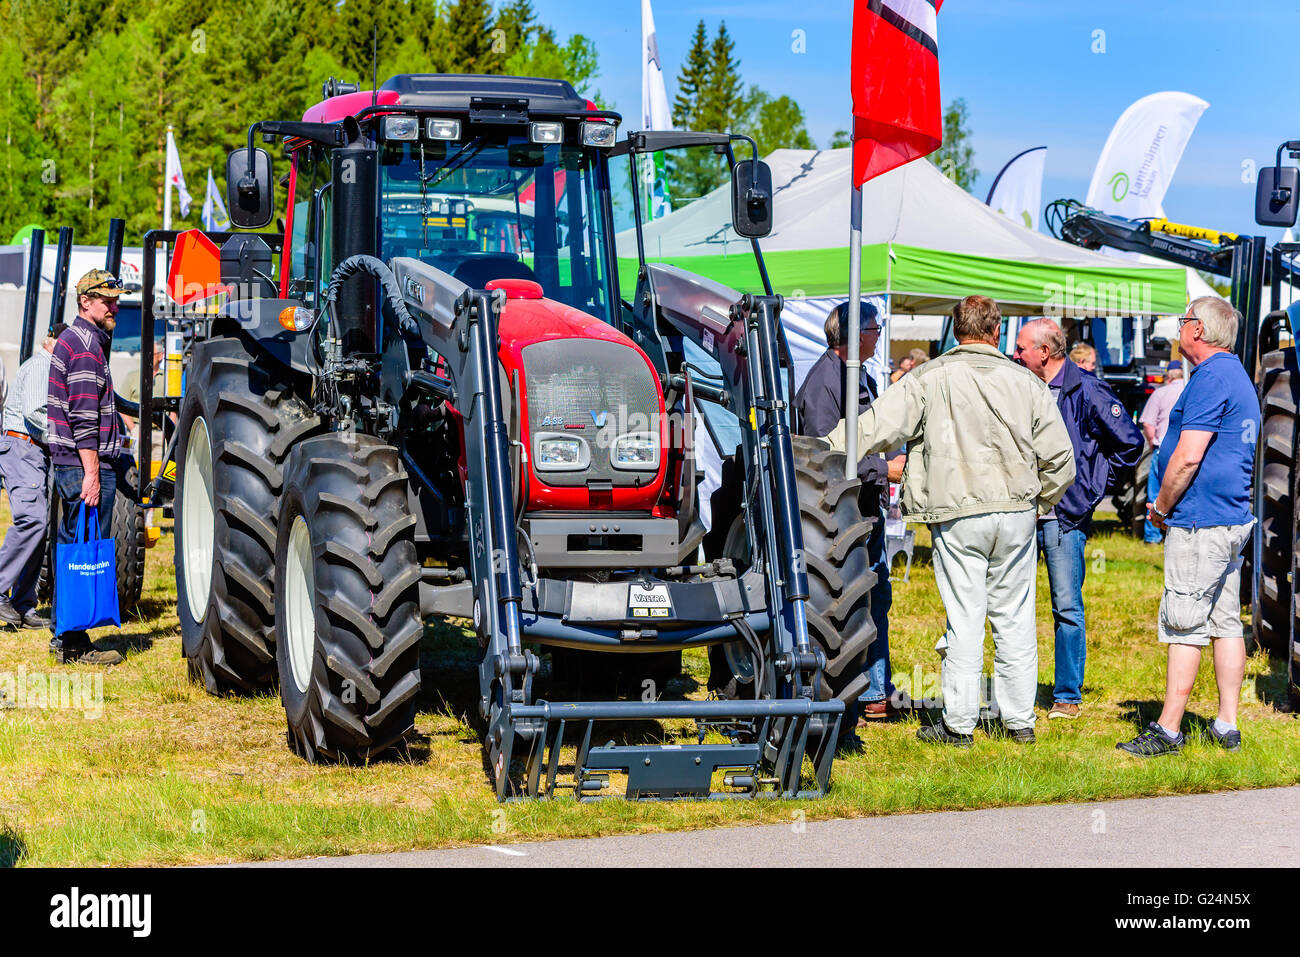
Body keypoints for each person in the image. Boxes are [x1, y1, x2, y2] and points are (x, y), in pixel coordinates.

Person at [828, 295, 1075, 746]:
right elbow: (1061, 458)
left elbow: (873, 426)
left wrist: (821, 445)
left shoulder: (928, 377)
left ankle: (960, 725)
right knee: (1015, 617)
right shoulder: (1026, 381)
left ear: (955, 329)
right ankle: (1020, 721)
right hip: (1016, 511)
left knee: (965, 618)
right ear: (996, 332)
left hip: (959, 512)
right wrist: (1040, 501)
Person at [1118, 297, 1258, 757]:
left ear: (1198, 329)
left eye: (1183, 320)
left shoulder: (1210, 377)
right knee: (1225, 624)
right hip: (1230, 517)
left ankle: (1168, 731)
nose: (1179, 328)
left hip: (1202, 522)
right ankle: (1226, 724)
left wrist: (1158, 506)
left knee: (1183, 622)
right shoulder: (1236, 374)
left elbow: (1188, 455)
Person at [1013, 318, 1143, 720]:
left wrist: (1090, 489)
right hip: (1019, 511)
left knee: (1066, 603)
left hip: (1063, 516)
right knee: (1011, 606)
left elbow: (1129, 442)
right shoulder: (1022, 386)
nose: (1015, 355)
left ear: (1044, 353)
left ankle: (1067, 695)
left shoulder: (1086, 388)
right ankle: (1016, 692)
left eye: (1021, 348)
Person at [794, 300, 904, 726]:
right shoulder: (826, 382)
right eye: (876, 328)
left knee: (878, 597)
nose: (879, 334)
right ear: (856, 335)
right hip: (838, 523)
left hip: (858, 513)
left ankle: (876, 691)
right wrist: (884, 468)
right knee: (866, 601)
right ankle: (869, 692)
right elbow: (824, 460)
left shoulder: (850, 377)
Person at [46, 270, 126, 666]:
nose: (115, 305)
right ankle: (74, 643)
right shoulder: (83, 346)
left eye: (115, 299)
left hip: (73, 464)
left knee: (73, 546)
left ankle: (64, 633)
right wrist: (92, 474)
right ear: (84, 302)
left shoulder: (82, 341)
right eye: (106, 299)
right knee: (82, 550)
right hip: (84, 465)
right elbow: (84, 418)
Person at [0, 323, 68, 629]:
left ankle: (22, 604)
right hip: (23, 446)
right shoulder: (43, 364)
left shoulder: (45, 364)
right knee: (34, 521)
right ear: (53, 342)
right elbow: (36, 412)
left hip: (31, 450)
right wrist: (69, 437)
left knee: (40, 527)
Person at [1137, 360, 1185, 544]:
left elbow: (1148, 424)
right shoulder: (1190, 391)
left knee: (1155, 493)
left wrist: (1152, 444)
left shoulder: (1160, 393)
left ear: (1168, 375)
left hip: (1162, 449)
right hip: (1186, 450)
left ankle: (1152, 536)